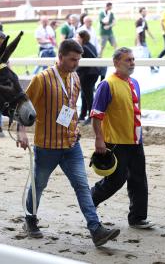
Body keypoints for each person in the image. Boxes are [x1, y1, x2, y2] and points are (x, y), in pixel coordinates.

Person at [16, 39, 120, 247]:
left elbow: (71, 108)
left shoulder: (75, 79)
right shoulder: (42, 79)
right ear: (60, 57)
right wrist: (21, 131)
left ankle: (96, 229)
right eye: (72, 59)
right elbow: (23, 106)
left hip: (72, 144)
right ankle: (30, 219)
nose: (76, 63)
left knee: (82, 185)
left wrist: (76, 128)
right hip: (47, 147)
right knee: (39, 185)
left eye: (78, 59)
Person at [90, 47, 154, 229]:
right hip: (115, 142)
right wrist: (99, 139)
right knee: (115, 181)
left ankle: (138, 217)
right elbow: (96, 116)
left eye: (133, 59)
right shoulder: (106, 85)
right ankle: (89, 201)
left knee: (139, 179)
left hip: (135, 141)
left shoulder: (135, 83)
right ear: (116, 63)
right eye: (128, 60)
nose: (132, 63)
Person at [76, 30, 100, 125]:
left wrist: (75, 71)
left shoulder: (84, 48)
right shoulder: (91, 46)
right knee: (85, 94)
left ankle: (91, 117)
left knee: (88, 95)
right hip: (93, 74)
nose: (77, 39)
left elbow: (82, 64)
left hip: (87, 75)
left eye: (78, 37)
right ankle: (82, 115)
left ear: (82, 38)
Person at [135, 7, 158, 73]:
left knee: (146, 55)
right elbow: (137, 32)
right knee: (148, 55)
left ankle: (152, 68)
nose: (145, 13)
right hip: (141, 41)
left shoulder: (144, 20)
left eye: (145, 11)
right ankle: (152, 68)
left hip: (143, 40)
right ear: (141, 12)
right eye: (144, 11)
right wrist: (138, 42)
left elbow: (147, 30)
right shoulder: (139, 21)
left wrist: (153, 38)